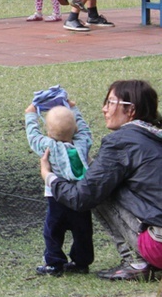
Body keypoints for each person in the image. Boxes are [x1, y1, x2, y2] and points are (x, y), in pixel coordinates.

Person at [40, 80, 162, 280]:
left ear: (130, 110)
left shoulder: (121, 141)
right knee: (102, 179)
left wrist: (49, 177)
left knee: (98, 187)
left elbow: (82, 198)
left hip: (158, 247)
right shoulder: (154, 135)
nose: (104, 109)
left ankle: (135, 262)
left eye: (110, 102)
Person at [25, 101, 93, 276]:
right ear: (75, 128)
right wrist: (74, 109)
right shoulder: (83, 143)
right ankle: (81, 262)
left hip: (57, 199)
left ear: (48, 132)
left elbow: (33, 137)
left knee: (53, 231)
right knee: (83, 231)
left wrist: (30, 115)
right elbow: (84, 129)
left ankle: (55, 263)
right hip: (81, 196)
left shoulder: (49, 147)